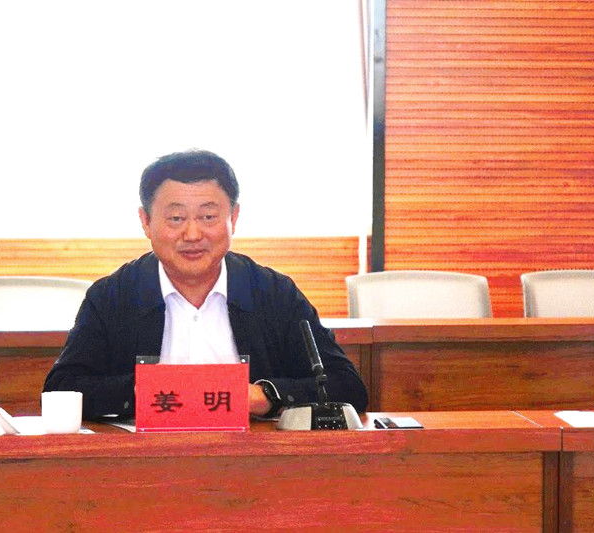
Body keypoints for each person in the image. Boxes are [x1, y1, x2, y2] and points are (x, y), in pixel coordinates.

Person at [43, 149, 368, 419]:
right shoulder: (112, 297)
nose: (193, 234)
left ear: (233, 218)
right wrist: (143, 392)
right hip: (145, 465)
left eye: (208, 217)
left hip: (253, 463)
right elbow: (62, 388)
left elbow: (347, 386)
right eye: (176, 218)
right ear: (146, 221)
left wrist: (266, 395)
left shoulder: (273, 293)